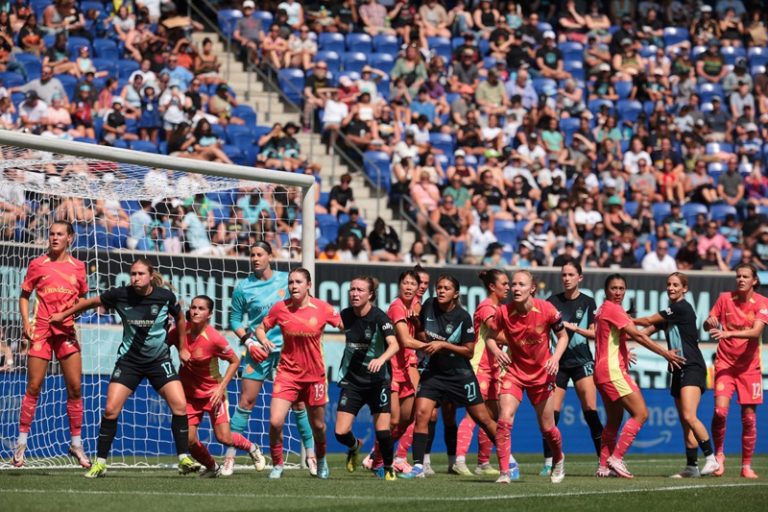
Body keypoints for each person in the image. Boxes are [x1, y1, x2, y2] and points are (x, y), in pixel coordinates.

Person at [50, 258, 198, 478]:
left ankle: (184, 458)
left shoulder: (165, 297)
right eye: (133, 274)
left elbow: (180, 318)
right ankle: (99, 463)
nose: (135, 278)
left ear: (150, 276)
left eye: (140, 274)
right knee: (110, 409)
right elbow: (90, 302)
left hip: (159, 361)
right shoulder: (120, 294)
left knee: (180, 405)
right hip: (129, 362)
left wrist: (183, 347)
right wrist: (64, 315)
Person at [225, 242, 315, 476]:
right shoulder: (243, 287)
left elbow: (306, 307)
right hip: (258, 351)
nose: (255, 258)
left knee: (298, 403)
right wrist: (249, 341)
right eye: (252, 255)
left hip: (289, 351)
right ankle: (230, 458)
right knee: (246, 401)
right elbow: (234, 320)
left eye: (260, 254)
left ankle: (311, 456)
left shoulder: (287, 280)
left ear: (270, 256)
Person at [399, 274, 498, 479]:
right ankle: (418, 466)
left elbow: (469, 352)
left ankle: (509, 458)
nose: (441, 291)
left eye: (446, 288)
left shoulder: (462, 316)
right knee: (422, 414)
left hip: (459, 374)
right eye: (439, 287)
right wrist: (417, 324)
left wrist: (443, 345)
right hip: (434, 373)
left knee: (483, 418)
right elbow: (421, 337)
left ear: (456, 293)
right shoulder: (429, 305)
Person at [12, 221, 90, 468]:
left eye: (59, 234)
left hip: (66, 330)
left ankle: (76, 444)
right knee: (34, 386)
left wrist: (73, 313)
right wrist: (26, 322)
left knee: (75, 387)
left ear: (70, 238)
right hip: (42, 331)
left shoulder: (78, 267)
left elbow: (84, 299)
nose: (54, 238)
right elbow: (24, 296)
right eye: (51, 234)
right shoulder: (37, 264)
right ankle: (21, 444)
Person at [594, 274, 685, 479]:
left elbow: (609, 338)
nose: (618, 292)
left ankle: (603, 466)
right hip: (612, 371)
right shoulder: (613, 309)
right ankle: (616, 458)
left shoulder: (602, 310)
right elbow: (638, 335)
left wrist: (624, 351)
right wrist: (665, 353)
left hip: (601, 371)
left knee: (614, 420)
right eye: (613, 288)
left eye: (621, 288)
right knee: (641, 413)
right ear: (606, 290)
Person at [254, 268, 342, 479]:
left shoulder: (322, 308)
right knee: (275, 421)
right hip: (287, 374)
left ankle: (320, 460)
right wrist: (263, 339)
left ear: (308, 285)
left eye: (298, 282)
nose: (294, 286)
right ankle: (277, 464)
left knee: (319, 426)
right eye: (291, 282)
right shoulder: (280, 308)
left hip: (315, 377)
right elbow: (260, 328)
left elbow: (346, 326)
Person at [485, 270, 569, 484]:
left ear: (532, 288)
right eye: (513, 284)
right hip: (514, 373)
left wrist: (556, 358)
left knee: (547, 428)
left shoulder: (547, 309)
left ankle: (558, 459)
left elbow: (563, 336)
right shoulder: (504, 312)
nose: (515, 288)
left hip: (542, 376)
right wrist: (496, 351)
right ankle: (504, 472)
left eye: (521, 284)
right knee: (504, 419)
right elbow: (490, 337)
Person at [167, 296, 265, 477]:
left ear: (209, 314)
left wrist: (221, 388)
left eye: (201, 309)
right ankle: (212, 467)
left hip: (213, 393)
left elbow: (235, 361)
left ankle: (252, 447)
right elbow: (162, 346)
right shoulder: (180, 331)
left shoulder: (214, 338)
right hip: (188, 395)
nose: (195, 311)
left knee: (224, 438)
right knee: (188, 439)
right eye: (193, 307)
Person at [633, 273, 720, 478]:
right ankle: (691, 466)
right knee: (684, 420)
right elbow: (642, 333)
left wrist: (624, 318)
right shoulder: (670, 316)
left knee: (690, 416)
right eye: (668, 284)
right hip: (678, 369)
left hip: (692, 367)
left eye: (675, 285)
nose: (671, 288)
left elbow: (646, 320)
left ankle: (711, 459)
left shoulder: (681, 308)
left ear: (685, 289)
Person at [536, 262, 603, 476]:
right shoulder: (551, 302)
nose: (566, 278)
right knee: (551, 415)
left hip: (583, 362)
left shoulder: (588, 302)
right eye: (563, 274)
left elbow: (595, 334)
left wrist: (575, 328)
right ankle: (550, 462)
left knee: (590, 411)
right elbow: (543, 333)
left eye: (571, 275)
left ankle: (603, 462)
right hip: (558, 365)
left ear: (579, 278)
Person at [704, 263, 767, 479]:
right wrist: (709, 322)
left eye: (745, 276)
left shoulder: (762, 303)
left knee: (748, 418)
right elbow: (708, 325)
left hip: (750, 368)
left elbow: (757, 331)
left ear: (754, 281)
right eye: (738, 275)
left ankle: (746, 466)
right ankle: (719, 456)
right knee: (720, 412)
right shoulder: (724, 298)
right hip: (725, 364)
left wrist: (728, 334)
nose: (740, 279)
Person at [335, 276, 400, 480]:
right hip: (352, 382)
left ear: (370, 294)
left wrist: (381, 359)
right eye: (352, 289)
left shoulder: (379, 317)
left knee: (383, 433)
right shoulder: (345, 315)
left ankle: (388, 467)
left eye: (360, 290)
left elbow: (395, 344)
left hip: (377, 382)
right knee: (340, 432)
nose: (355, 293)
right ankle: (355, 447)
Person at [454, 269, 514, 478]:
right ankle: (459, 460)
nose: (508, 287)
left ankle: (483, 462)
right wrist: (526, 342)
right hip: (478, 366)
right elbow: (495, 331)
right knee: (474, 414)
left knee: (491, 415)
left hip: (494, 368)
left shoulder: (502, 307)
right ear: (492, 287)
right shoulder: (486, 306)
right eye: (504, 284)